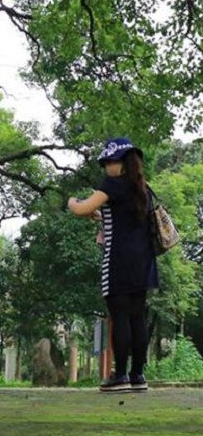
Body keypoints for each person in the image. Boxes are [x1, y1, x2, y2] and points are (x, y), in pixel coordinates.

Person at [68, 137, 158, 392]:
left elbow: (82, 208)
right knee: (137, 317)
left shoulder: (114, 184)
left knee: (119, 316)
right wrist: (100, 215)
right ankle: (138, 376)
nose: (107, 167)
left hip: (119, 260)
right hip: (143, 262)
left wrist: (72, 202)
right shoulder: (143, 188)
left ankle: (120, 376)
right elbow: (124, 219)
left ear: (122, 163)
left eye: (110, 161)